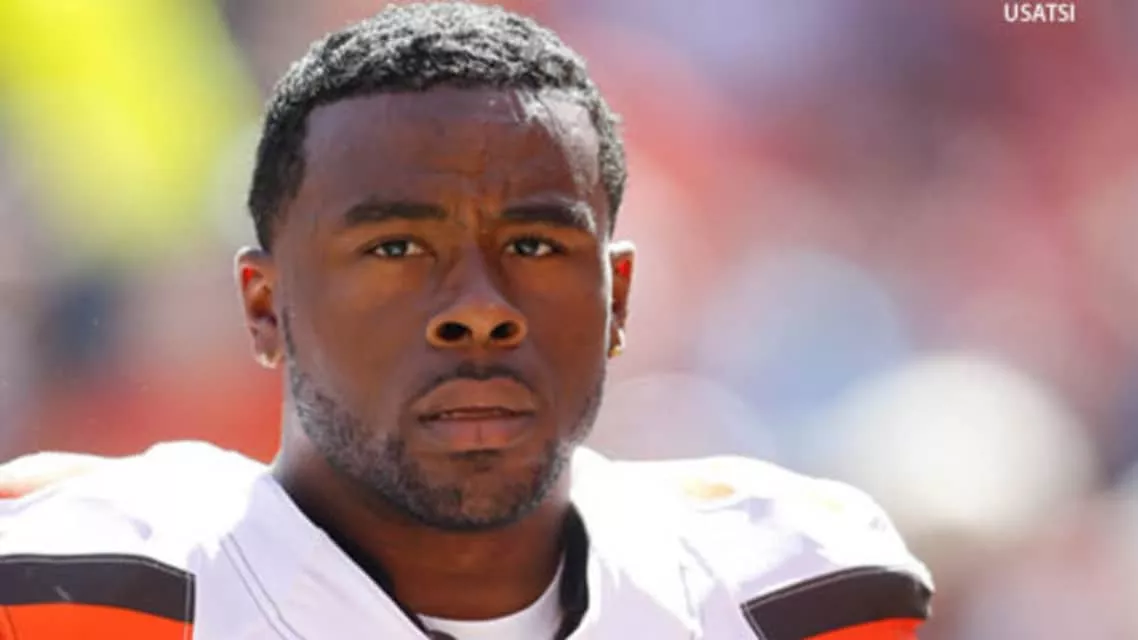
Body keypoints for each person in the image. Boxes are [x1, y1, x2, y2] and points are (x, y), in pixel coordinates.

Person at [0, 3, 933, 639]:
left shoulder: (799, 589)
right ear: (264, 305)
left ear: (618, 296)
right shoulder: (80, 588)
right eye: (397, 248)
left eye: (533, 244)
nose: (478, 311)